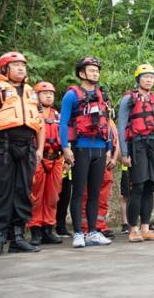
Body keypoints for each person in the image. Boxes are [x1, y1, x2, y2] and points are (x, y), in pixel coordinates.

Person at [0, 51, 44, 256]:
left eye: (23, 65)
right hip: (2, 145)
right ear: (5, 69)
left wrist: (39, 149)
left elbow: (40, 123)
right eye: (15, 65)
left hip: (28, 146)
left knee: (23, 192)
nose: (21, 68)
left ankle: (18, 237)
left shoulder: (31, 92)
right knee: (1, 192)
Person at [59, 57, 113, 248]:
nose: (95, 73)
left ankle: (92, 231)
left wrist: (109, 149)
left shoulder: (102, 95)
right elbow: (63, 122)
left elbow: (106, 123)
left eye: (97, 70)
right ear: (81, 73)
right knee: (79, 191)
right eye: (91, 70)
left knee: (95, 193)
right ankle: (78, 233)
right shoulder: (72, 96)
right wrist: (65, 148)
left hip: (99, 148)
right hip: (81, 148)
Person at [117, 64, 154, 243]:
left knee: (150, 187)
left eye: (152, 77)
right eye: (145, 77)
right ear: (138, 79)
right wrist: (124, 152)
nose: (149, 80)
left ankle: (145, 228)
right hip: (137, 145)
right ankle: (133, 229)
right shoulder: (128, 100)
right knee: (137, 187)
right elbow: (121, 126)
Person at [28, 82, 64, 246]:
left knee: (53, 196)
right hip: (38, 159)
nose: (49, 95)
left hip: (56, 158)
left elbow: (64, 136)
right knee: (36, 196)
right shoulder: (32, 114)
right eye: (44, 93)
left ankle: (48, 229)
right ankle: (35, 229)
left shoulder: (58, 115)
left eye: (51, 93)